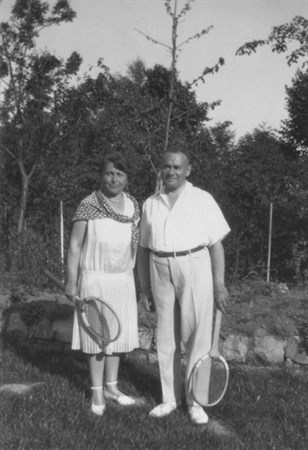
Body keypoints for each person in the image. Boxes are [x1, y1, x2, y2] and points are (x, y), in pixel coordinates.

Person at [137, 148, 230, 425]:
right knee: (166, 337)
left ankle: (196, 401)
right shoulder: (150, 203)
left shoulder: (202, 199)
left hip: (194, 265)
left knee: (197, 337)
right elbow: (142, 249)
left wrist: (219, 283)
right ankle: (169, 399)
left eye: (178, 167)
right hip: (160, 268)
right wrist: (144, 288)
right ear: (161, 170)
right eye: (166, 167)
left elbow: (216, 245)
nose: (171, 172)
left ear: (188, 170)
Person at [66, 152, 140, 416]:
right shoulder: (88, 204)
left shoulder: (133, 206)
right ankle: (96, 391)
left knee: (117, 337)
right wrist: (71, 281)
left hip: (123, 280)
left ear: (127, 178)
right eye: (109, 173)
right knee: (97, 338)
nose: (114, 179)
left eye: (120, 174)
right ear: (101, 175)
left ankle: (112, 387)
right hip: (94, 279)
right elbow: (75, 245)